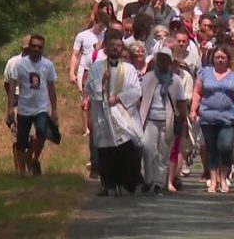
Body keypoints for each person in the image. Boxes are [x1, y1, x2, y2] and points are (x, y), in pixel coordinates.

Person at [82, 29, 144, 196]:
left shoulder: (129, 69)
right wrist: (101, 82)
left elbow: (136, 90)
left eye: (118, 45)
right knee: (105, 151)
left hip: (123, 114)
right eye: (112, 45)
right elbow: (89, 88)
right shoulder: (96, 68)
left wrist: (118, 98)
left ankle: (127, 182)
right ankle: (106, 184)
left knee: (127, 149)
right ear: (106, 48)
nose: (115, 48)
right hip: (103, 114)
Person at [189, 45, 234, 193]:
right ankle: (213, 180)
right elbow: (197, 92)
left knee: (225, 147)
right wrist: (193, 109)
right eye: (217, 57)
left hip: (228, 117)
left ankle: (224, 178)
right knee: (211, 149)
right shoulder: (204, 73)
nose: (219, 60)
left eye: (222, 57)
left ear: (227, 59)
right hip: (208, 116)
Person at [6, 34, 58, 177]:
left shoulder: (48, 65)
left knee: (42, 133)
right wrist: (10, 108)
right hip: (24, 108)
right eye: (33, 46)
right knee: (22, 141)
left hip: (41, 108)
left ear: (43, 48)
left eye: (39, 47)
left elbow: (52, 88)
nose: (36, 49)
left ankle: (32, 158)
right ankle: (22, 171)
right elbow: (12, 86)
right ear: (29, 47)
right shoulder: (20, 64)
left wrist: (54, 110)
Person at [139, 47, 189, 195]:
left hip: (168, 120)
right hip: (150, 119)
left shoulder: (176, 81)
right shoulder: (148, 77)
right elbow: (140, 98)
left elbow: (181, 102)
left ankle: (158, 183)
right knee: (148, 149)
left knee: (163, 153)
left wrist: (184, 119)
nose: (161, 62)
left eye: (165, 59)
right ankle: (148, 179)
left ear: (169, 61)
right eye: (159, 58)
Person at [69, 15, 109, 136]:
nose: (102, 28)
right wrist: (72, 72)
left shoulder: (105, 35)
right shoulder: (82, 36)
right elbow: (75, 55)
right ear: (95, 22)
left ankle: (97, 123)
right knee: (84, 97)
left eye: (104, 26)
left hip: (100, 68)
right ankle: (86, 128)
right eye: (100, 25)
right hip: (85, 68)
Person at [3, 35, 30, 174]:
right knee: (17, 136)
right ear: (21, 48)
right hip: (17, 99)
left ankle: (29, 162)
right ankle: (20, 170)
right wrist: (11, 103)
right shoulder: (13, 62)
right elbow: (7, 83)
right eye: (25, 49)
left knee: (33, 136)